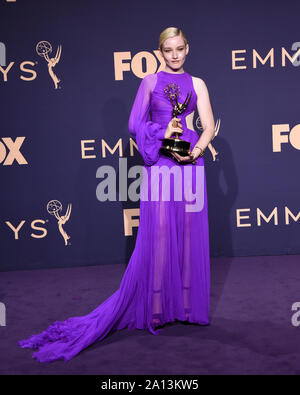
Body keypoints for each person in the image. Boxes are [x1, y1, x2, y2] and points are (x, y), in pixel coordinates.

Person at [18, 27, 215, 363]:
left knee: (189, 234)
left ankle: (186, 307)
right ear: (159, 53)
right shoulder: (150, 82)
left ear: (188, 48)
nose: (175, 55)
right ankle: (156, 309)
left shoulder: (198, 84)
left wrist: (195, 152)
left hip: (190, 167)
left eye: (179, 49)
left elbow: (208, 125)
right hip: (162, 166)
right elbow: (135, 124)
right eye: (168, 50)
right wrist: (164, 132)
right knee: (162, 236)